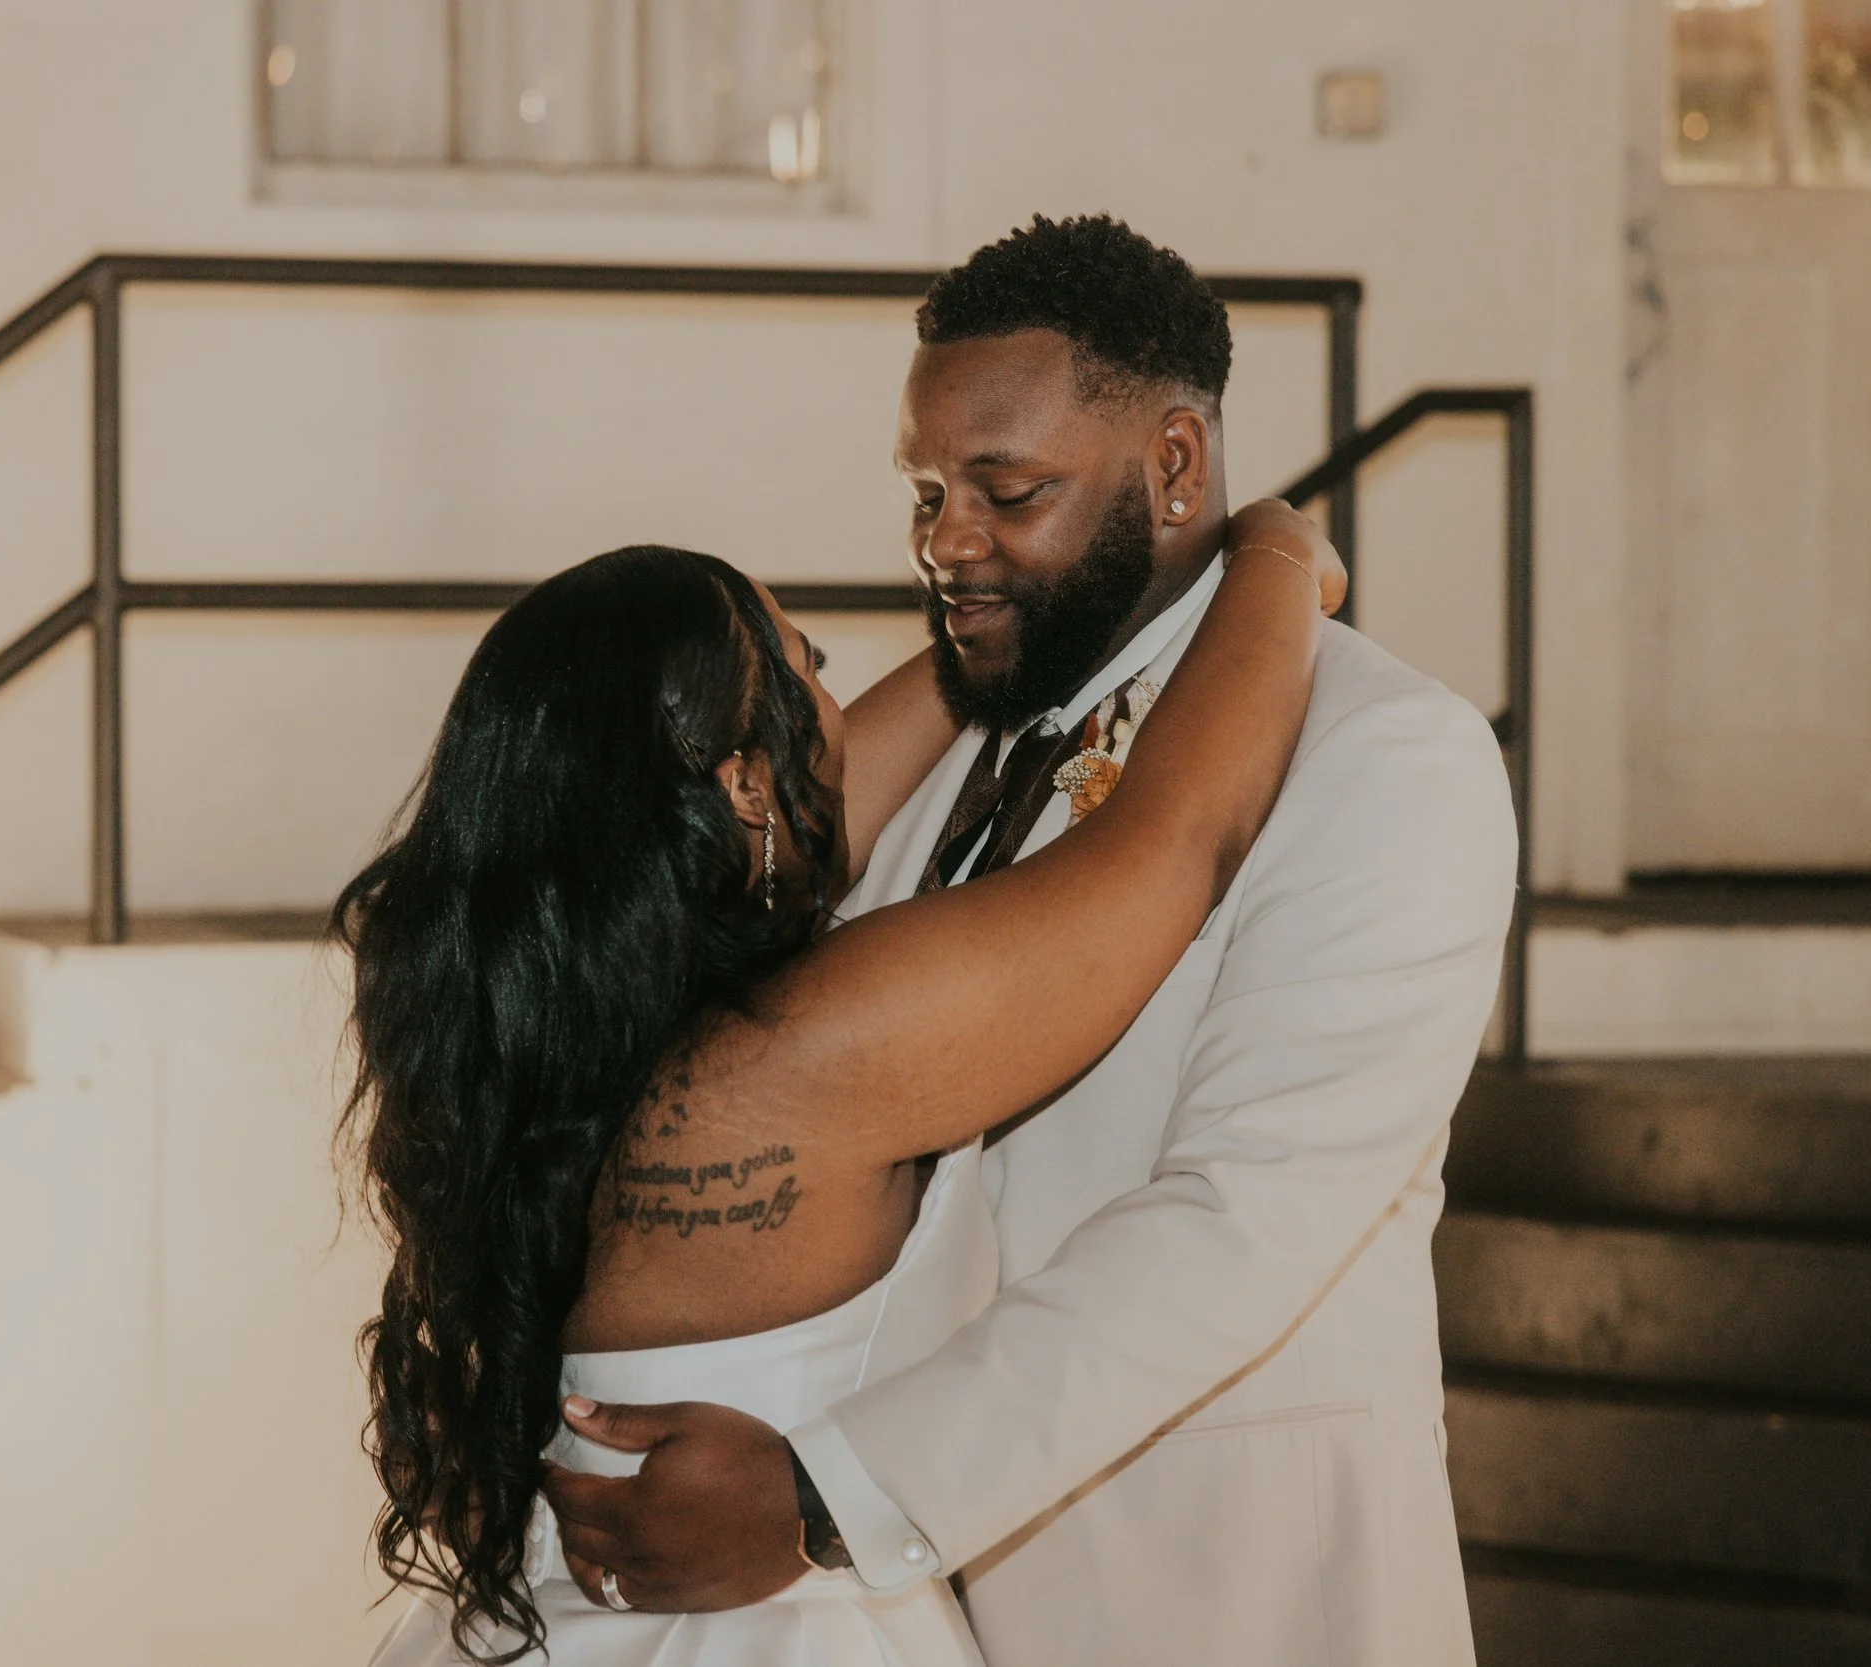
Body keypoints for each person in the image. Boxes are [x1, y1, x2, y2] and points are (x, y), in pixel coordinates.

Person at [544, 217, 1516, 1667]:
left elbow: (1240, 1220)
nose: (945, 538)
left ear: (1175, 466)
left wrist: (831, 1489)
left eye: (1006, 489)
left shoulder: (1387, 755)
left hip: (1216, 1593)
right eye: (928, 490)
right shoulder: (963, 736)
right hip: (923, 1603)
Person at [340, 381, 1347, 1661]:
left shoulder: (556, 1017)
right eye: (808, 668)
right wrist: (1272, 550)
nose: (840, 691)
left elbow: (824, 795)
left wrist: (1006, 620)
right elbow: (1176, 838)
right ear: (743, 783)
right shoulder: (803, 1050)